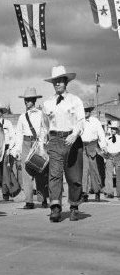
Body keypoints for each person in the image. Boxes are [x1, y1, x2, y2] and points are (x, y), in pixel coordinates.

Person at [42, 66, 85, 222]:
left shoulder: (75, 100)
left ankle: (74, 206)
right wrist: (43, 142)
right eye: (55, 81)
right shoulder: (47, 103)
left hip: (72, 141)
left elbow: (81, 121)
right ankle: (55, 207)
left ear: (66, 82)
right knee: (54, 175)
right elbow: (44, 125)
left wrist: (75, 134)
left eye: (60, 81)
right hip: (54, 141)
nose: (57, 84)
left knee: (74, 177)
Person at [14, 87, 49, 209]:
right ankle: (29, 201)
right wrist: (17, 149)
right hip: (25, 143)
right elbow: (18, 133)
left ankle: (43, 198)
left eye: (28, 100)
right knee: (26, 172)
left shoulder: (41, 114)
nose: (26, 102)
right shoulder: (22, 117)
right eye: (25, 100)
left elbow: (45, 130)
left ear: (34, 100)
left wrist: (41, 145)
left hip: (37, 143)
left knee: (40, 171)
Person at [0, 103, 17, 201]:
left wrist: (11, 148)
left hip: (5, 148)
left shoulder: (7, 123)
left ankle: (6, 193)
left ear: (2, 112)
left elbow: (13, 136)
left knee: (5, 171)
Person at [81, 103, 107, 202]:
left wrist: (103, 146)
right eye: (83, 110)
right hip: (83, 147)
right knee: (84, 171)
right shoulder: (79, 122)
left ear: (90, 111)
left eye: (87, 110)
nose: (85, 112)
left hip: (93, 146)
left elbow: (101, 134)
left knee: (94, 171)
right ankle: (84, 193)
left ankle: (97, 192)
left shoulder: (95, 121)